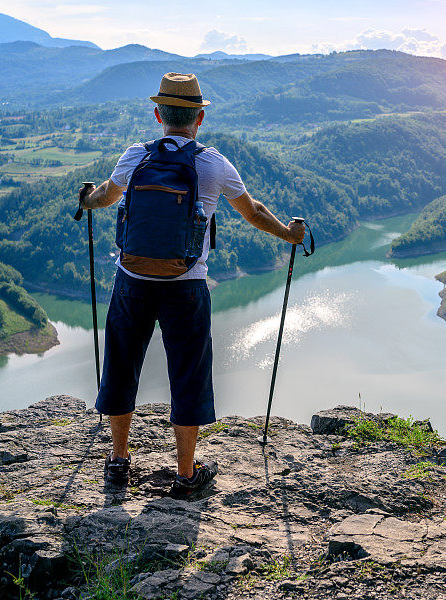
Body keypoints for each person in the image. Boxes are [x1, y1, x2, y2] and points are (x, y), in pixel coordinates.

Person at [79, 72, 305, 497]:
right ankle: (186, 473)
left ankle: (118, 461)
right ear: (199, 118)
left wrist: (85, 199)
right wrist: (290, 235)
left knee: (122, 364)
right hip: (186, 285)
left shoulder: (134, 156)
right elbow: (253, 212)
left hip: (132, 280)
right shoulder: (213, 163)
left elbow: (107, 196)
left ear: (158, 114)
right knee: (188, 373)